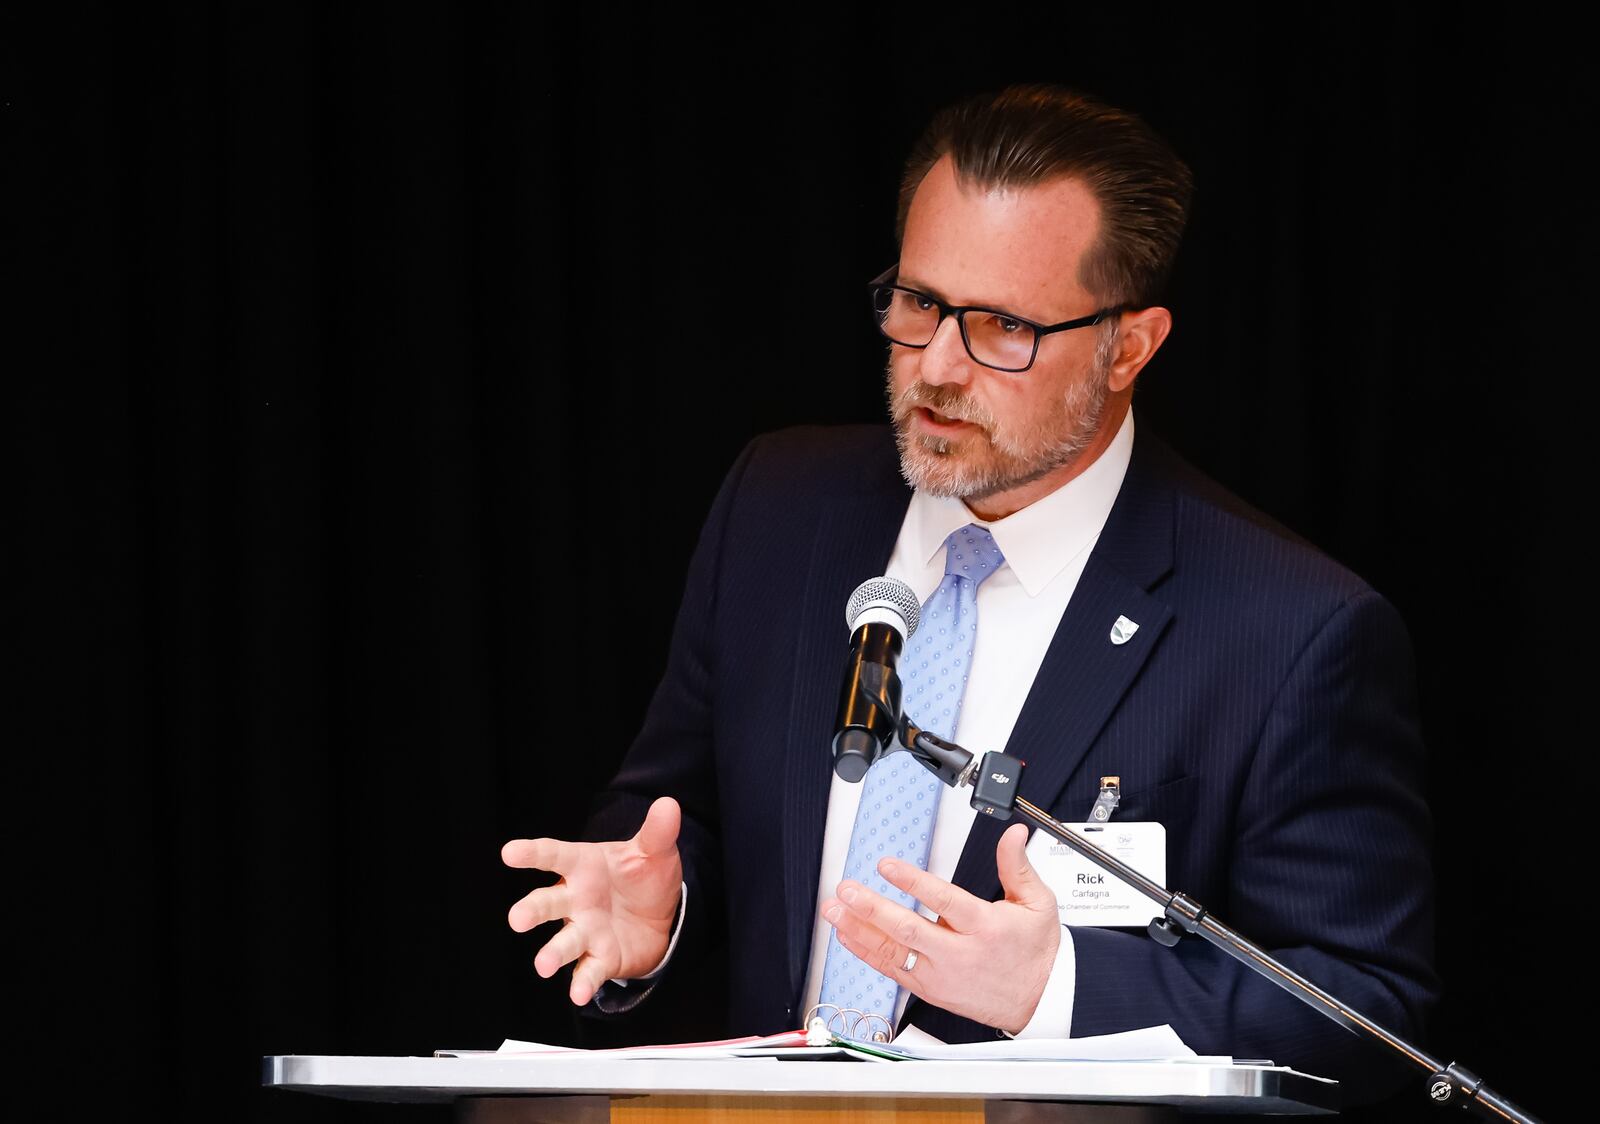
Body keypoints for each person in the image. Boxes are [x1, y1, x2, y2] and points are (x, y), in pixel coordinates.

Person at [502, 83, 1437, 1101]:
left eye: (1001, 325)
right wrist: (665, 907)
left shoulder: (1290, 630)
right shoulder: (776, 510)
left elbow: (1365, 1013)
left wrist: (1055, 989)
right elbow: (679, 819)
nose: (937, 367)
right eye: (918, 304)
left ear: (1129, 347)